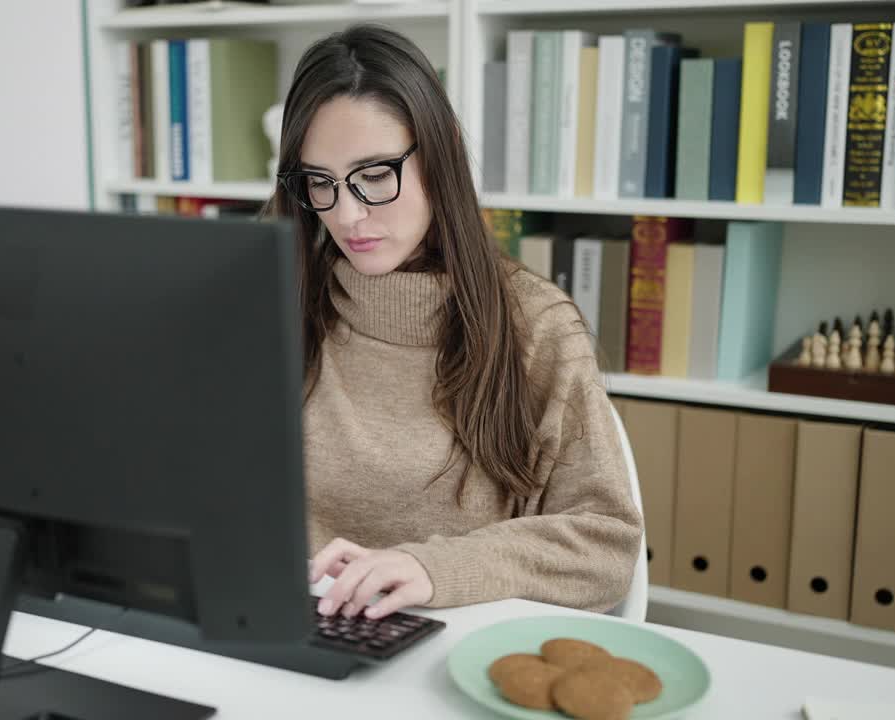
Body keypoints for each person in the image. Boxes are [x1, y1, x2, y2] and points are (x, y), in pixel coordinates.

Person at [266, 24, 643, 620]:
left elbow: (606, 547)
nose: (347, 213)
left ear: (438, 160)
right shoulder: (280, 302)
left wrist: (431, 568)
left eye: (372, 176)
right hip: (284, 637)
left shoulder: (536, 327)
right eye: (319, 183)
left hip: (456, 654)